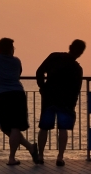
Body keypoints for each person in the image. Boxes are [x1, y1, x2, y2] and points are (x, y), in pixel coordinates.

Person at [0, 38, 38, 165]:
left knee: (4, 126)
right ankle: (30, 148)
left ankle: (12, 157)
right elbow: (18, 74)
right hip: (18, 94)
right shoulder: (16, 61)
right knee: (14, 126)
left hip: (2, 95)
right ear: (11, 49)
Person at [35, 39, 86, 167]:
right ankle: (60, 157)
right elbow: (76, 89)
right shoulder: (77, 68)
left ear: (70, 47)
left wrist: (43, 88)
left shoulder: (54, 57)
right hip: (66, 101)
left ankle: (40, 156)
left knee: (44, 127)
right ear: (80, 53)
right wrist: (72, 104)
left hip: (49, 97)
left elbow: (39, 71)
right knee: (63, 129)